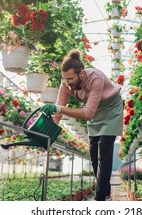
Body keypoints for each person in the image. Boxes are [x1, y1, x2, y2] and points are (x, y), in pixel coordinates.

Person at [40, 49, 123, 201]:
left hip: (111, 110)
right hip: (95, 111)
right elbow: (58, 110)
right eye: (64, 78)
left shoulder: (95, 78)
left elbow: (88, 113)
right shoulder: (65, 84)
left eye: (70, 78)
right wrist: (47, 131)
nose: (67, 82)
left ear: (81, 74)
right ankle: (106, 192)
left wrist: (60, 109)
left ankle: (99, 199)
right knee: (93, 156)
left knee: (103, 152)